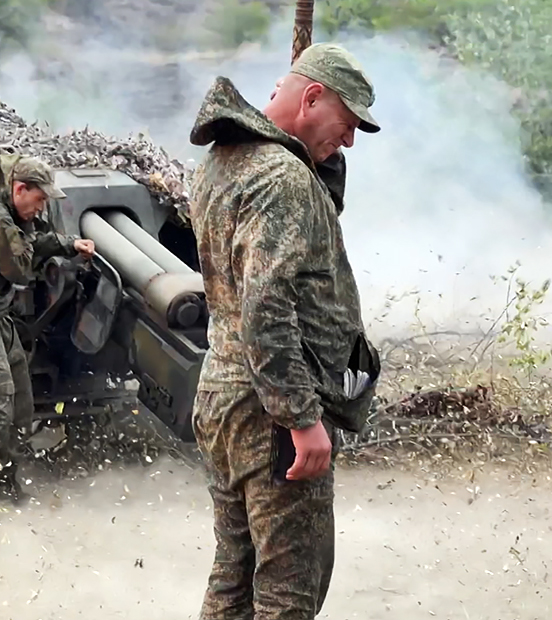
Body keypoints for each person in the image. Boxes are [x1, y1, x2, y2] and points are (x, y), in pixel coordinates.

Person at [186, 42, 383, 619]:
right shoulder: (282, 178)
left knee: (234, 576)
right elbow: (267, 309)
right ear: (313, 97)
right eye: (346, 125)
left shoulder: (228, 161)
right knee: (289, 590)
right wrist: (301, 419)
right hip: (268, 412)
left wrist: (310, 151)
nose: (347, 142)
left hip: (223, 396)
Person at [0, 148, 95, 506]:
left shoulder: (10, 213)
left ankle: (0, 479)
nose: (39, 209)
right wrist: (38, 234)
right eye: (37, 201)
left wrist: (68, 244)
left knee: (20, 404)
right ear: (19, 189)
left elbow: (31, 245)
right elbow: (21, 271)